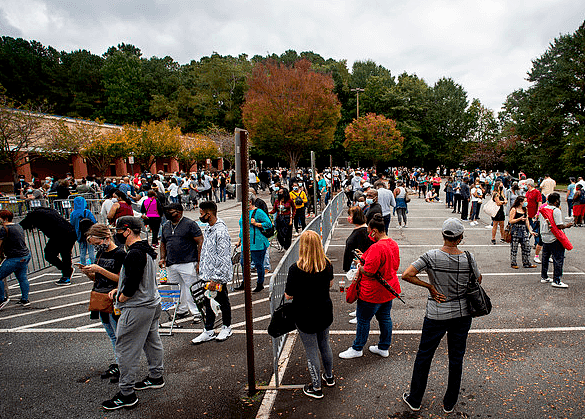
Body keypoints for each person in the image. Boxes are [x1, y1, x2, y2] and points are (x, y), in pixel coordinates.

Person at [401, 218, 480, 413]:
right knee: (456, 357)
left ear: (443, 235)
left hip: (436, 313)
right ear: (460, 238)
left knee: (424, 356)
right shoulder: (468, 258)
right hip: (462, 314)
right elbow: (478, 280)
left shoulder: (431, 256)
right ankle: (449, 402)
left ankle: (415, 399)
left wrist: (430, 286)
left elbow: (407, 274)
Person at [102, 216, 164, 410]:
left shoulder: (134, 254)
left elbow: (132, 283)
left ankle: (126, 394)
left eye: (118, 231)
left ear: (127, 230)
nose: (116, 234)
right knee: (151, 341)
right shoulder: (147, 250)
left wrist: (121, 297)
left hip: (138, 307)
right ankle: (156, 376)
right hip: (152, 303)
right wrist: (120, 290)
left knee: (126, 349)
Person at [339, 214, 400, 359]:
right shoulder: (393, 244)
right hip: (389, 289)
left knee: (363, 319)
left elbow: (369, 271)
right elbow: (395, 265)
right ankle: (383, 346)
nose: (368, 234)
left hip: (372, 292)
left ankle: (357, 347)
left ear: (374, 230)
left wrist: (360, 268)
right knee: (385, 318)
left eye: (369, 232)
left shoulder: (377, 247)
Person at [284, 230, 335, 399]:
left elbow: (289, 295)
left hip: (305, 314)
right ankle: (329, 377)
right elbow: (330, 283)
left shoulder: (295, 269)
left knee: (311, 349)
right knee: (324, 344)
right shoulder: (326, 264)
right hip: (324, 311)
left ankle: (316, 387)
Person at [82, 224, 126, 383]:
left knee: (119, 336)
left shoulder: (120, 254)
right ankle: (120, 364)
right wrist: (90, 273)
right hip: (100, 297)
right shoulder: (100, 253)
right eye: (94, 245)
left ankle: (124, 368)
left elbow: (121, 279)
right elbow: (97, 278)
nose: (96, 246)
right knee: (112, 335)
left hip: (113, 299)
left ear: (106, 237)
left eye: (97, 243)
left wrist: (99, 270)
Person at [192, 201, 234, 344]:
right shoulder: (210, 229)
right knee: (208, 301)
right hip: (208, 275)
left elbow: (223, 256)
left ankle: (226, 327)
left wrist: (216, 278)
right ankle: (208, 330)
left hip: (217, 277)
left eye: (201, 213)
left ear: (208, 214)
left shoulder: (220, 231)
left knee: (222, 301)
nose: (200, 216)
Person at [159, 203, 203, 321]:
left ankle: (197, 312)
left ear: (179, 212)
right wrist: (162, 258)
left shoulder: (190, 224)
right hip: (171, 263)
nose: (168, 213)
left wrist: (199, 261)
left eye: (171, 211)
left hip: (188, 261)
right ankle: (180, 310)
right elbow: (163, 243)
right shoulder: (166, 226)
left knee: (192, 287)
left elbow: (200, 241)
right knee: (176, 289)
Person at [20, 207, 77, 285]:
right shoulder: (48, 211)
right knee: (65, 254)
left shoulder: (34, 215)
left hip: (60, 234)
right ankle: (66, 273)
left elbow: (21, 225)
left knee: (50, 254)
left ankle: (66, 273)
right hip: (69, 232)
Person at [235, 195, 272, 293]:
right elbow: (242, 227)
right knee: (243, 263)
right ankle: (245, 283)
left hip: (258, 243)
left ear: (250, 202)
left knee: (258, 264)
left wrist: (256, 224)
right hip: (246, 244)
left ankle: (260, 284)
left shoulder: (258, 212)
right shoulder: (244, 212)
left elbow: (269, 224)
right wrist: (239, 240)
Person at [538, 193, 573, 288]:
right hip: (554, 238)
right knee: (558, 258)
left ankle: (544, 276)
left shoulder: (543, 209)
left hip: (544, 236)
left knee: (545, 258)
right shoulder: (556, 210)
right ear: (556, 201)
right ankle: (557, 280)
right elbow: (558, 225)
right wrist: (567, 225)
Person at [0, 210, 32, 308]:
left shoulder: (4, 229)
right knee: (22, 277)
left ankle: (1, 299)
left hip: (14, 257)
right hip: (25, 255)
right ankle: (25, 299)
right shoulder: (18, 226)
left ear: (5, 218)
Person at [509, 197, 537, 269]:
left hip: (523, 229)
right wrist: (519, 219)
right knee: (514, 247)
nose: (526, 202)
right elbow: (511, 221)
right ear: (520, 202)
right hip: (516, 229)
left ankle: (526, 262)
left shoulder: (525, 209)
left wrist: (530, 230)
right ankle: (513, 263)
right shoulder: (514, 209)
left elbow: (527, 220)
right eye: (525, 201)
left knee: (526, 246)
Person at [70, 196, 97, 266]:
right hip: (89, 233)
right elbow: (93, 221)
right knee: (91, 249)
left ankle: (83, 264)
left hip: (79, 234)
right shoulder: (87, 212)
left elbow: (71, 224)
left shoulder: (73, 213)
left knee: (82, 250)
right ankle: (93, 263)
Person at [525, 179, 543, 263]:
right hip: (527, 214)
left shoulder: (536, 192)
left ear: (529, 185)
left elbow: (539, 203)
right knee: (527, 230)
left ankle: (537, 245)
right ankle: (526, 244)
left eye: (526, 184)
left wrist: (538, 213)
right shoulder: (527, 192)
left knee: (535, 230)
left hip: (533, 214)